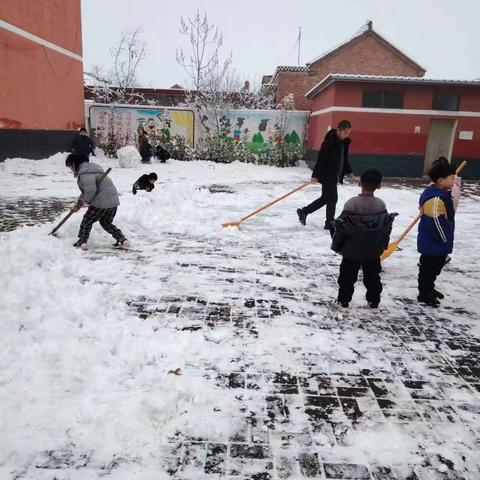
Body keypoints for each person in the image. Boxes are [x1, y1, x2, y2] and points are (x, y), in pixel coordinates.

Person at [331, 169, 396, 308]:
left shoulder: (351, 204)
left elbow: (342, 228)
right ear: (379, 186)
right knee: (372, 277)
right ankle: (374, 300)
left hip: (351, 250)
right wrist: (382, 246)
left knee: (347, 277)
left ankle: (344, 299)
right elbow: (384, 229)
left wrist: (337, 245)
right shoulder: (380, 205)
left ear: (359, 183)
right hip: (372, 250)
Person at [417, 162, 460, 307]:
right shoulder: (435, 199)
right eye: (452, 178)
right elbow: (434, 223)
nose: (455, 181)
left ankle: (429, 288)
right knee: (428, 269)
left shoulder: (443, 194)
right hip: (433, 242)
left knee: (435, 267)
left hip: (439, 241)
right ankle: (424, 293)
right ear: (441, 181)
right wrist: (443, 239)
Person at [65, 153, 129, 251]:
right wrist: (79, 203)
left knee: (86, 221)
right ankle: (122, 239)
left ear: (74, 164)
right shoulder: (94, 170)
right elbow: (86, 191)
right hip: (113, 201)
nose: (71, 170)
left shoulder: (84, 174)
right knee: (106, 222)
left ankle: (82, 242)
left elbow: (90, 191)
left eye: (70, 167)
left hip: (100, 202)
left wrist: (83, 203)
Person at [297, 120, 353, 230]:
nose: (347, 135)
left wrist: (349, 170)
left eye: (348, 133)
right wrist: (315, 175)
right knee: (332, 199)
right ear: (339, 130)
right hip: (327, 174)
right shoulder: (329, 142)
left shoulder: (344, 143)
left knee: (325, 199)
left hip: (335, 174)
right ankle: (329, 223)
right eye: (345, 133)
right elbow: (321, 159)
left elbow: (344, 159)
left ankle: (304, 211)